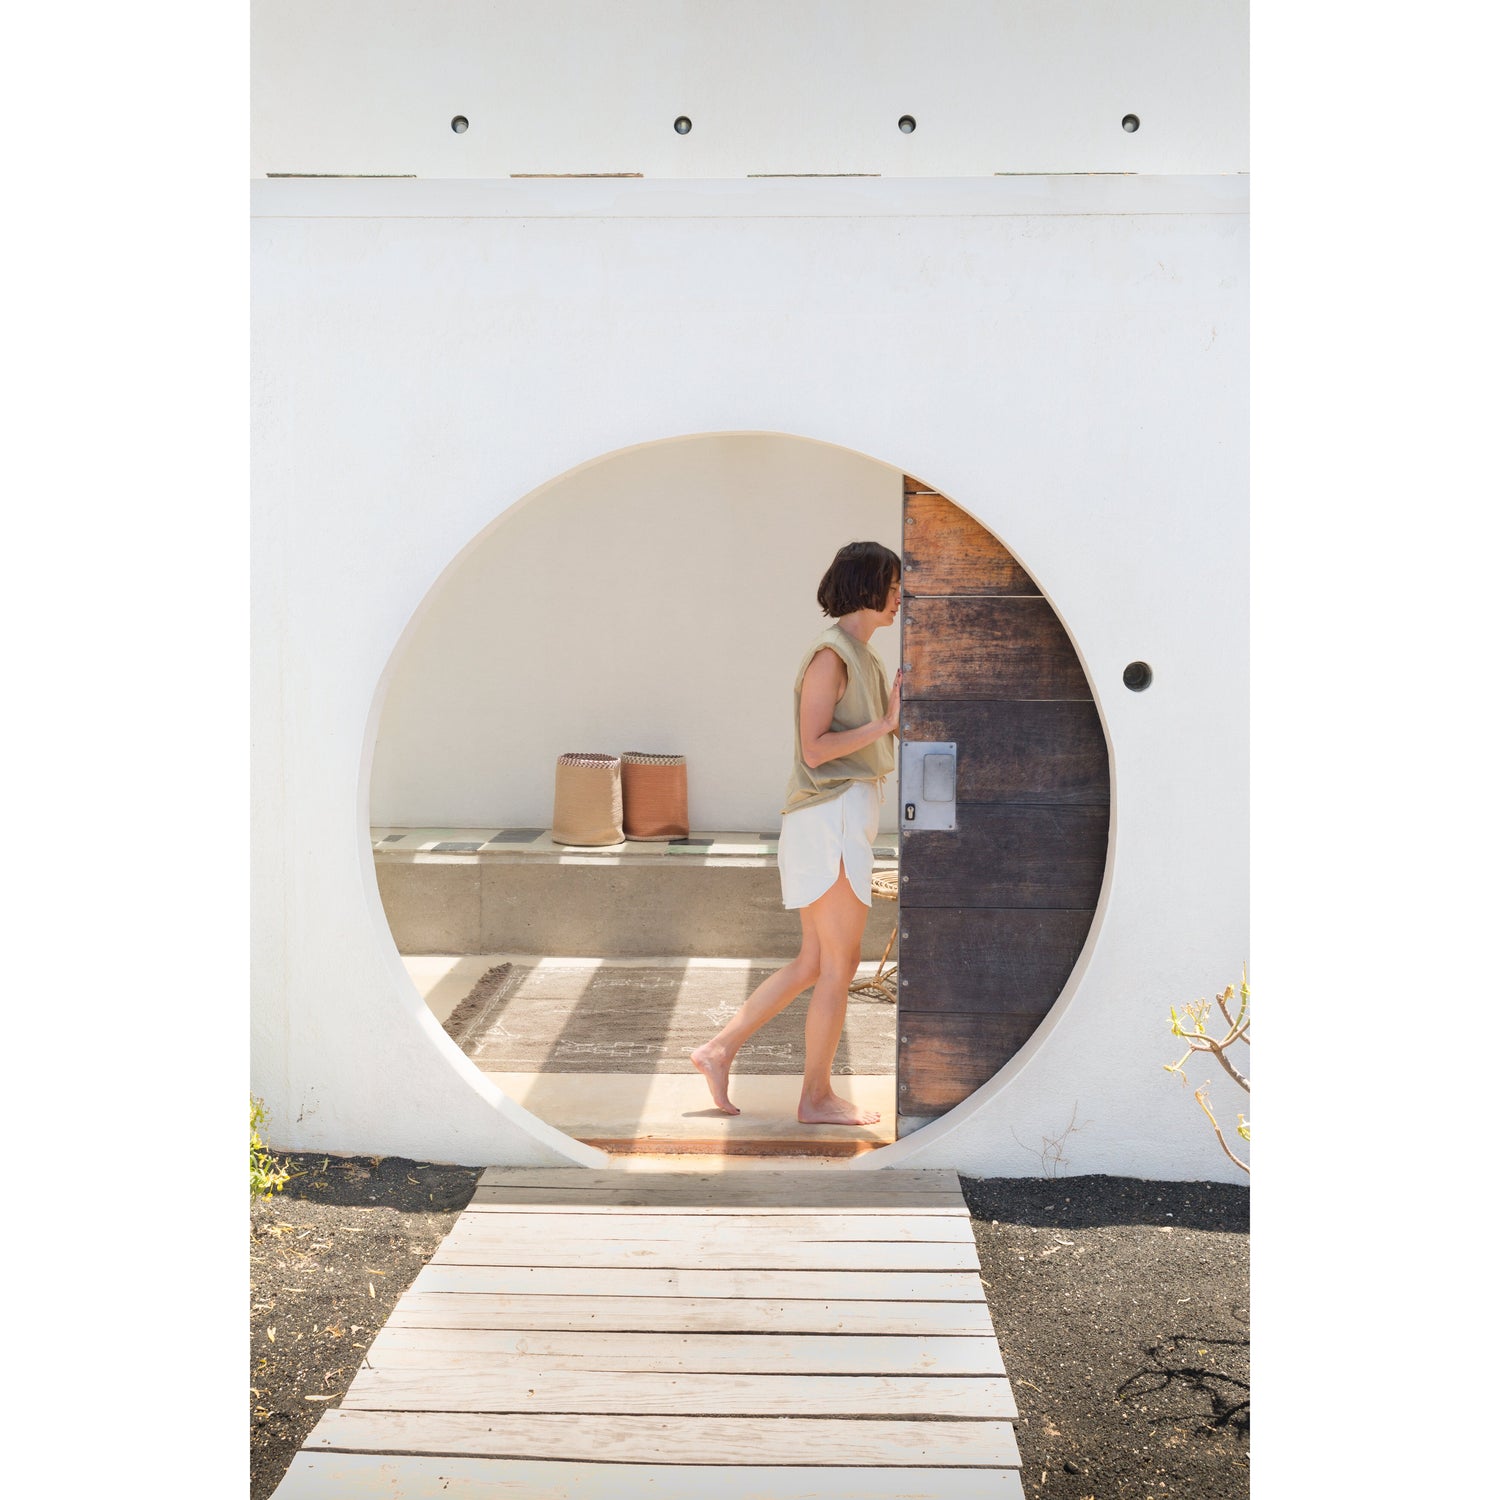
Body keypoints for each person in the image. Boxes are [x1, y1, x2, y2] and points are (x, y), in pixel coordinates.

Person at [691, 540, 902, 1125]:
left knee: (815, 962)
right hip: (828, 818)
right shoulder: (831, 656)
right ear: (866, 586)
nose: (899, 595)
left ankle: (718, 1050)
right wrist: (886, 723)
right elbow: (814, 749)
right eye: (892, 584)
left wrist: (891, 724)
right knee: (840, 963)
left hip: (839, 817)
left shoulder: (862, 656)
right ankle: (816, 1097)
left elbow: (862, 739)